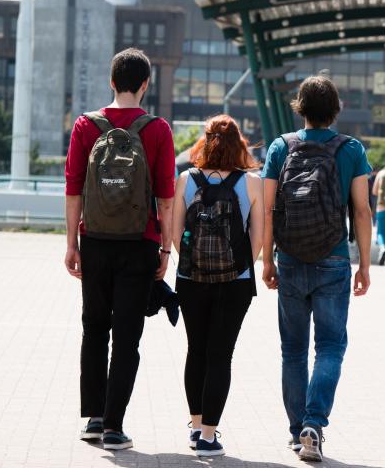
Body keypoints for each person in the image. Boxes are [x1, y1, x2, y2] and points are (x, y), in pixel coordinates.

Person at [64, 48, 175, 450]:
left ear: (112, 81)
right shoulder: (158, 129)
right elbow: (166, 196)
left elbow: (73, 188)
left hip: (94, 241)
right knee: (127, 336)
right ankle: (114, 426)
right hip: (139, 243)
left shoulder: (85, 126)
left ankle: (92, 418)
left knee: (94, 327)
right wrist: (165, 249)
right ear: (146, 84)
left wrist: (71, 244)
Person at [261, 76, 372, 462]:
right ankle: (314, 423)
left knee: (292, 350)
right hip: (334, 257)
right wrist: (365, 266)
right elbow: (361, 210)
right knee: (330, 346)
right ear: (336, 109)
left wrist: (266, 259)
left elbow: (268, 208)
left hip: (290, 258)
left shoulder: (281, 147)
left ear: (300, 108)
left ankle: (297, 432)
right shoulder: (351, 149)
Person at [171, 115, 263, 457]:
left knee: (196, 350)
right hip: (235, 282)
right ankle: (209, 437)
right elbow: (259, 237)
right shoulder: (251, 182)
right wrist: (237, 267)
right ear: (239, 143)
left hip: (191, 279)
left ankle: (195, 427)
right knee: (220, 355)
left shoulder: (186, 179)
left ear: (204, 142)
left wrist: (195, 262)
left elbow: (176, 233)